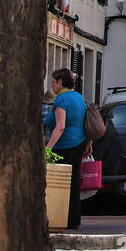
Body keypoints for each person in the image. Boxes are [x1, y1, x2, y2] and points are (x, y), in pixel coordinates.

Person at [44, 67, 89, 230]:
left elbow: (60, 126)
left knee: (59, 185)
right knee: (74, 183)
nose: (52, 87)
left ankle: (58, 218)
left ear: (61, 82)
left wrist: (48, 148)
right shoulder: (79, 97)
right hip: (79, 143)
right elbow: (84, 123)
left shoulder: (61, 99)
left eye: (53, 83)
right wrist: (88, 143)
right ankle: (73, 220)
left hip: (64, 145)